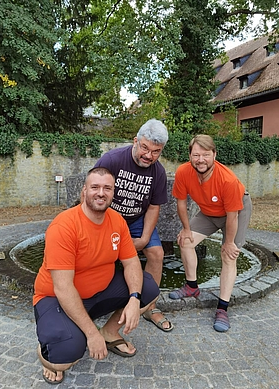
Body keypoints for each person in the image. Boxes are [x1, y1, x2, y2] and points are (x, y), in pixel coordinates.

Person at [33, 167, 160, 384]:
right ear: (84, 191)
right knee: (64, 357)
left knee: (149, 288)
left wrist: (134, 298)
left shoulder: (117, 221)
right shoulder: (64, 226)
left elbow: (131, 263)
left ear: (113, 193)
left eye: (107, 188)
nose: (101, 193)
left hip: (99, 293)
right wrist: (90, 335)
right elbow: (63, 288)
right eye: (95, 187)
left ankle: (109, 333)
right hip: (56, 298)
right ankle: (50, 347)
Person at [94, 118, 174, 332]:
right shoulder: (112, 160)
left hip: (137, 218)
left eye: (156, 151)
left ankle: (149, 307)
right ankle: (94, 301)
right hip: (109, 217)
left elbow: (154, 207)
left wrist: (145, 238)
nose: (149, 155)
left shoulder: (158, 172)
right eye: (145, 148)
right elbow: (94, 195)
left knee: (156, 253)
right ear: (135, 141)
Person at [169, 134, 252, 332]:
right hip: (208, 212)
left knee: (228, 255)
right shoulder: (183, 172)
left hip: (236, 211)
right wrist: (186, 229)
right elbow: (180, 203)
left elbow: (232, 217)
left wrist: (229, 242)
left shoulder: (228, 180)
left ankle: (222, 308)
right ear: (190, 155)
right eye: (196, 155)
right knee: (185, 241)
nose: (200, 160)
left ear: (214, 154)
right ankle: (191, 287)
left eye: (206, 154)